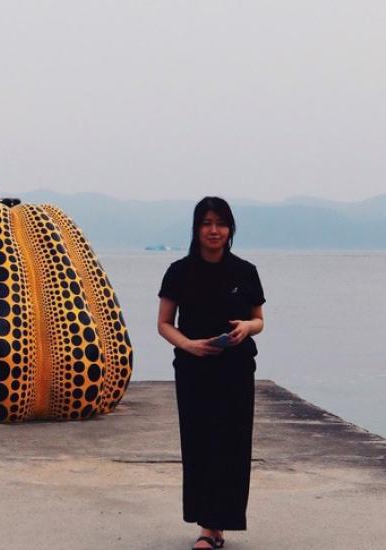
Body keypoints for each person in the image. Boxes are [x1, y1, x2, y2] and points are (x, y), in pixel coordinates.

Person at [156, 197, 266, 549]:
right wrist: (188, 345)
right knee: (200, 444)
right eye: (206, 223)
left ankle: (216, 526)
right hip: (193, 371)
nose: (214, 230)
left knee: (231, 445)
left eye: (220, 223)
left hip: (236, 370)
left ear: (230, 229)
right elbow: (163, 324)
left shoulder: (245, 271)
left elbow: (259, 320)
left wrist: (247, 327)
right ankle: (208, 527)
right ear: (196, 228)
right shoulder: (179, 271)